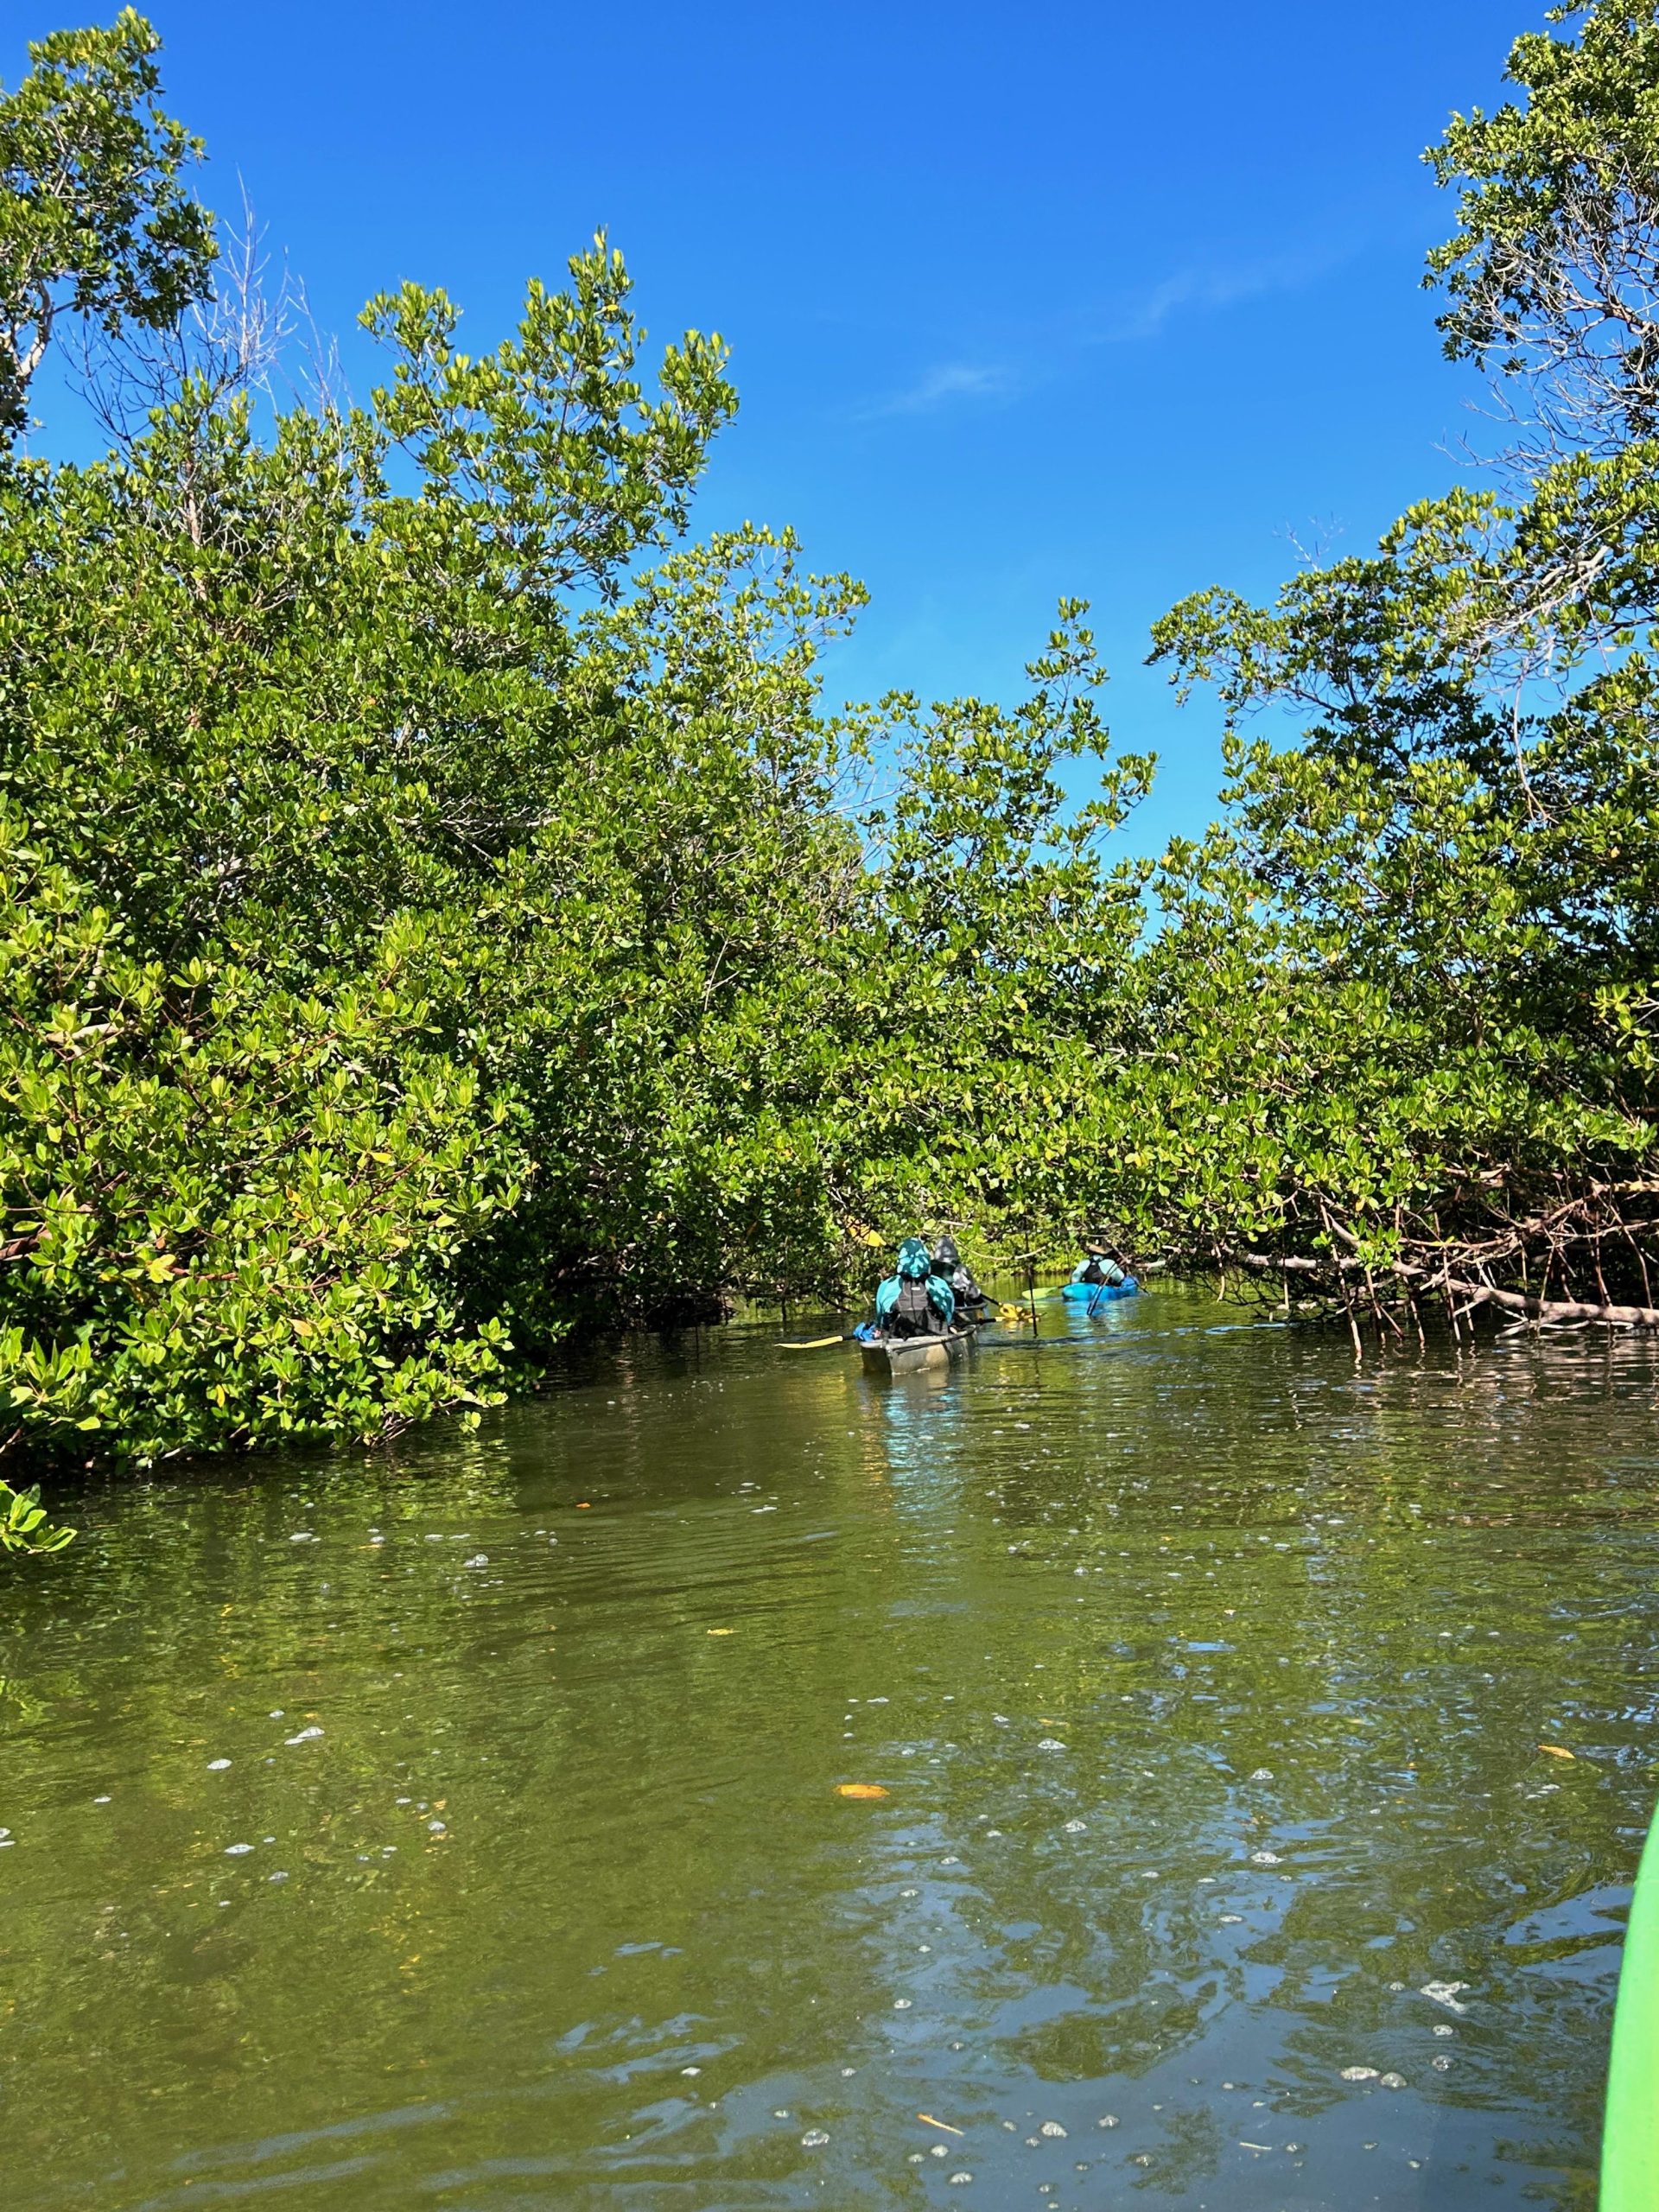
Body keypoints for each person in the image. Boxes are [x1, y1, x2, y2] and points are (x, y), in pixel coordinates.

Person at [875, 1235, 956, 1338]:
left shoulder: (886, 1285)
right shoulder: (938, 1283)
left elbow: (881, 1320)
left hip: (897, 1338)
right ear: (926, 1258)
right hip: (934, 1335)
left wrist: (879, 1329)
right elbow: (949, 1315)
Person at [932, 1233, 990, 1325]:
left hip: (935, 1304)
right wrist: (978, 1299)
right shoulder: (960, 1267)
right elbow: (972, 1292)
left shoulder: (928, 1267)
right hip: (956, 1304)